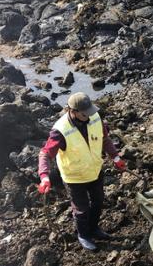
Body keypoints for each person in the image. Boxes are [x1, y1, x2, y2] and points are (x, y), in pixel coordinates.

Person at [37, 92, 127, 251]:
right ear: (73, 111)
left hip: (94, 170)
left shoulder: (95, 117)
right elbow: (45, 153)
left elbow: (104, 139)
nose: (90, 115)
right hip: (74, 177)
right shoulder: (61, 130)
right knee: (81, 209)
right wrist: (44, 176)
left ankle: (94, 228)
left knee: (98, 201)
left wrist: (116, 158)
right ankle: (83, 235)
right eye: (85, 113)